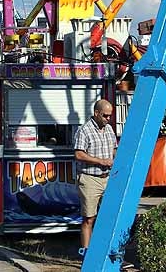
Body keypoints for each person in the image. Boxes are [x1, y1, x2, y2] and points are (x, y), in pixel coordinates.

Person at [73, 99, 116, 258]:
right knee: (89, 218)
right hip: (90, 178)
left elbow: (114, 150)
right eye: (105, 116)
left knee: (109, 215)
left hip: (107, 178)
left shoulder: (109, 129)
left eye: (110, 116)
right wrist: (101, 161)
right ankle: (86, 255)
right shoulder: (84, 130)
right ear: (96, 113)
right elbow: (78, 154)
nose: (108, 119)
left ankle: (106, 252)